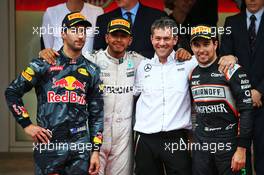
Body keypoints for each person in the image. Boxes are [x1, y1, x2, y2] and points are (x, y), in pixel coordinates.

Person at [38, 16, 195, 175]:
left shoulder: (140, 63)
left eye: (123, 36)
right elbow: (69, 57)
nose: (118, 40)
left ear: (130, 40)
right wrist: (47, 52)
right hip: (96, 136)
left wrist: (180, 52)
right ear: (106, 37)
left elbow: (172, 61)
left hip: (123, 138)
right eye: (114, 35)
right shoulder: (92, 60)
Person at [5, 12, 104, 175]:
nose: (80, 36)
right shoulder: (44, 64)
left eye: (83, 31)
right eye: (75, 30)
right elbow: (12, 92)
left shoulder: (92, 70)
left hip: (81, 148)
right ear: (63, 33)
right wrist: (27, 125)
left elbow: (97, 113)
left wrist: (95, 151)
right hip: (49, 145)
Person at [189, 25, 253, 175]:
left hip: (229, 145)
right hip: (202, 147)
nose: (201, 50)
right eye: (196, 45)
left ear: (215, 44)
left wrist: (242, 148)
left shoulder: (231, 69)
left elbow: (247, 110)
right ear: (191, 46)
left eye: (206, 44)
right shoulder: (192, 73)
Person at [220, 0, 264, 173]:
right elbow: (224, 59)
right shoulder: (231, 22)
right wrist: (246, 93)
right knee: (239, 160)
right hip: (238, 104)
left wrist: (260, 91)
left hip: (263, 102)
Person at [93, 0, 167, 58]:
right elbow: (98, 51)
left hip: (149, 70)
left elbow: (166, 48)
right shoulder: (103, 19)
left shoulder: (158, 17)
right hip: (115, 73)